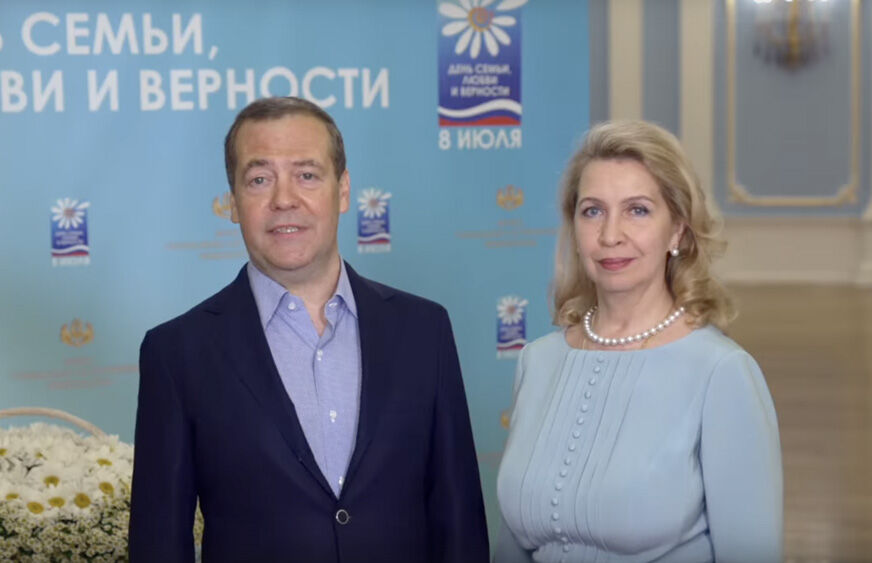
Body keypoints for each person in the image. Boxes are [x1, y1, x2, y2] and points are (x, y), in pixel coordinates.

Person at [129, 97, 489, 563]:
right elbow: (158, 543)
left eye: (307, 175)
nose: (284, 199)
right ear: (232, 202)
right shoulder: (177, 353)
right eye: (259, 179)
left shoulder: (424, 331)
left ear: (343, 190)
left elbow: (459, 522)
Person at [495, 120, 782, 563]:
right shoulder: (539, 361)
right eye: (593, 211)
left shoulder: (721, 373)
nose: (611, 235)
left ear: (677, 230)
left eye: (638, 210)